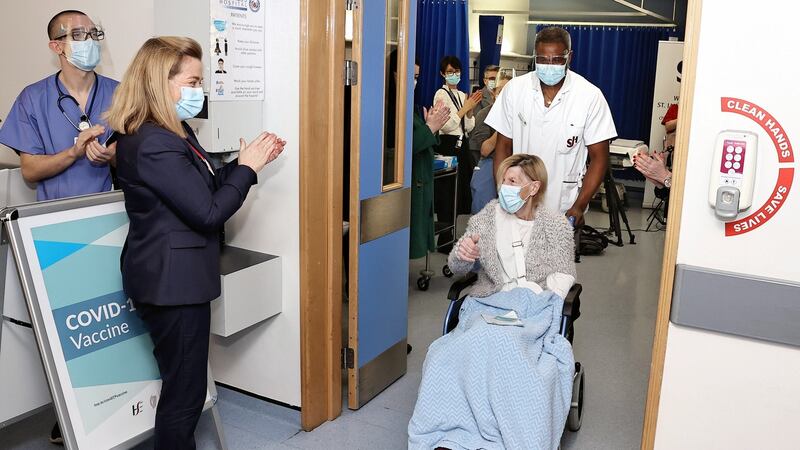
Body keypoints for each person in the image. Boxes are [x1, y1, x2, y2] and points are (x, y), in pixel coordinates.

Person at [105, 36, 285, 449]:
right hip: (171, 284)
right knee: (183, 396)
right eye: (193, 80)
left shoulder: (173, 131)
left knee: (182, 385)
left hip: (175, 278)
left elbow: (199, 188)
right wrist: (248, 171)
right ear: (159, 82)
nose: (199, 90)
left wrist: (242, 166)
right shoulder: (153, 142)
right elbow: (207, 212)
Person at [409, 154, 576, 449]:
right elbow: (458, 268)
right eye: (502, 181)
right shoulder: (487, 217)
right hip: (489, 300)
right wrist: (462, 255)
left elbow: (564, 274)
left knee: (505, 345)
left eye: (512, 182)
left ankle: (501, 437)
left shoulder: (555, 225)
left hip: (533, 305)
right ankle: (451, 432)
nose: (503, 188)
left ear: (534, 188)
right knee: (444, 354)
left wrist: (534, 299)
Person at [486, 26, 617, 227]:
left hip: (564, 204)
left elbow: (600, 158)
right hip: (519, 199)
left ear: (569, 57)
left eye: (556, 59)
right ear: (534, 57)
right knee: (513, 255)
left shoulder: (589, 96)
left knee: (554, 257)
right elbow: (503, 147)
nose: (549, 65)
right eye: (542, 59)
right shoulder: (515, 90)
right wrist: (504, 191)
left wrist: (580, 206)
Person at [0, 10, 118, 202]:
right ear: (56, 46)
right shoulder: (33, 98)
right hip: (54, 215)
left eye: (94, 34)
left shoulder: (120, 94)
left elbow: (139, 161)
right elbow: (30, 171)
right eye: (78, 35)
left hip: (109, 211)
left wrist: (112, 156)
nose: (90, 41)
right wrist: (73, 153)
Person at [432, 55, 482, 250]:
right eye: (450, 72)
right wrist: (464, 110)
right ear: (443, 74)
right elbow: (446, 125)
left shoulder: (462, 95)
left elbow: (468, 125)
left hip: (462, 144)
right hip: (447, 144)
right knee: (446, 192)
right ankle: (444, 238)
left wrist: (470, 111)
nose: (454, 75)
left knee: (459, 191)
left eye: (457, 72)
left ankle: (452, 232)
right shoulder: (441, 95)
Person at [405, 59, 450, 260]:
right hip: (408, 180)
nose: (415, 82)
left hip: (420, 177)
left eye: (416, 77)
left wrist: (432, 125)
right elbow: (401, 148)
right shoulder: (389, 107)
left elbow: (421, 135)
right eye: (411, 77)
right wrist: (429, 128)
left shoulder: (409, 106)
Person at [469, 69, 513, 213]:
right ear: (494, 94)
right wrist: (503, 125)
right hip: (490, 161)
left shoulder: (522, 115)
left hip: (516, 163)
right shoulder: (485, 114)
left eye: (509, 90)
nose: (505, 94)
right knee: (482, 194)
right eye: (501, 90)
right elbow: (485, 150)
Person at [633, 104, 677, 220]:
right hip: (673, 157)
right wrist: (662, 180)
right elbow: (668, 126)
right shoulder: (676, 108)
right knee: (661, 189)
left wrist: (664, 177)